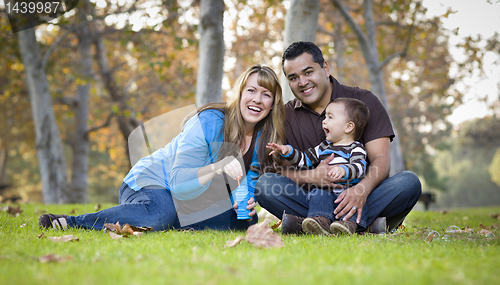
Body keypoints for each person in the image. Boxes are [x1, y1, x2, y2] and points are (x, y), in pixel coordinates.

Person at [39, 65, 286, 232]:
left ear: (273, 104)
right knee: (160, 214)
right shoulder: (210, 122)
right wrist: (217, 167)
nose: (257, 99)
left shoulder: (264, 138)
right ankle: (70, 222)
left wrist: (244, 200)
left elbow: (245, 182)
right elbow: (178, 181)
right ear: (239, 94)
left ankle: (171, 220)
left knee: (245, 220)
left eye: (266, 95)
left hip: (190, 199)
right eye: (251, 91)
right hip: (152, 183)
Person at [255, 41, 422, 235]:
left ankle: (306, 226)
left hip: (362, 197)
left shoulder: (363, 102)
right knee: (265, 185)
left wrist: (361, 190)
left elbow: (381, 160)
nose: (302, 82)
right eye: (293, 77)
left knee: (408, 183)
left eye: (308, 72)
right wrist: (312, 177)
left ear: (325, 68)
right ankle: (362, 227)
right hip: (313, 200)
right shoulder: (284, 116)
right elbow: (278, 172)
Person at [266, 97, 369, 236]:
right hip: (325, 194)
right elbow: (304, 160)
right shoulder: (323, 148)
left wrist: (342, 170)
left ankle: (346, 225)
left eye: (330, 117)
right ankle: (320, 221)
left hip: (346, 194)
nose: (324, 121)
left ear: (348, 127)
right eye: (325, 117)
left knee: (353, 201)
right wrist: (288, 151)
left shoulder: (356, 148)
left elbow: (359, 167)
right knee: (318, 193)